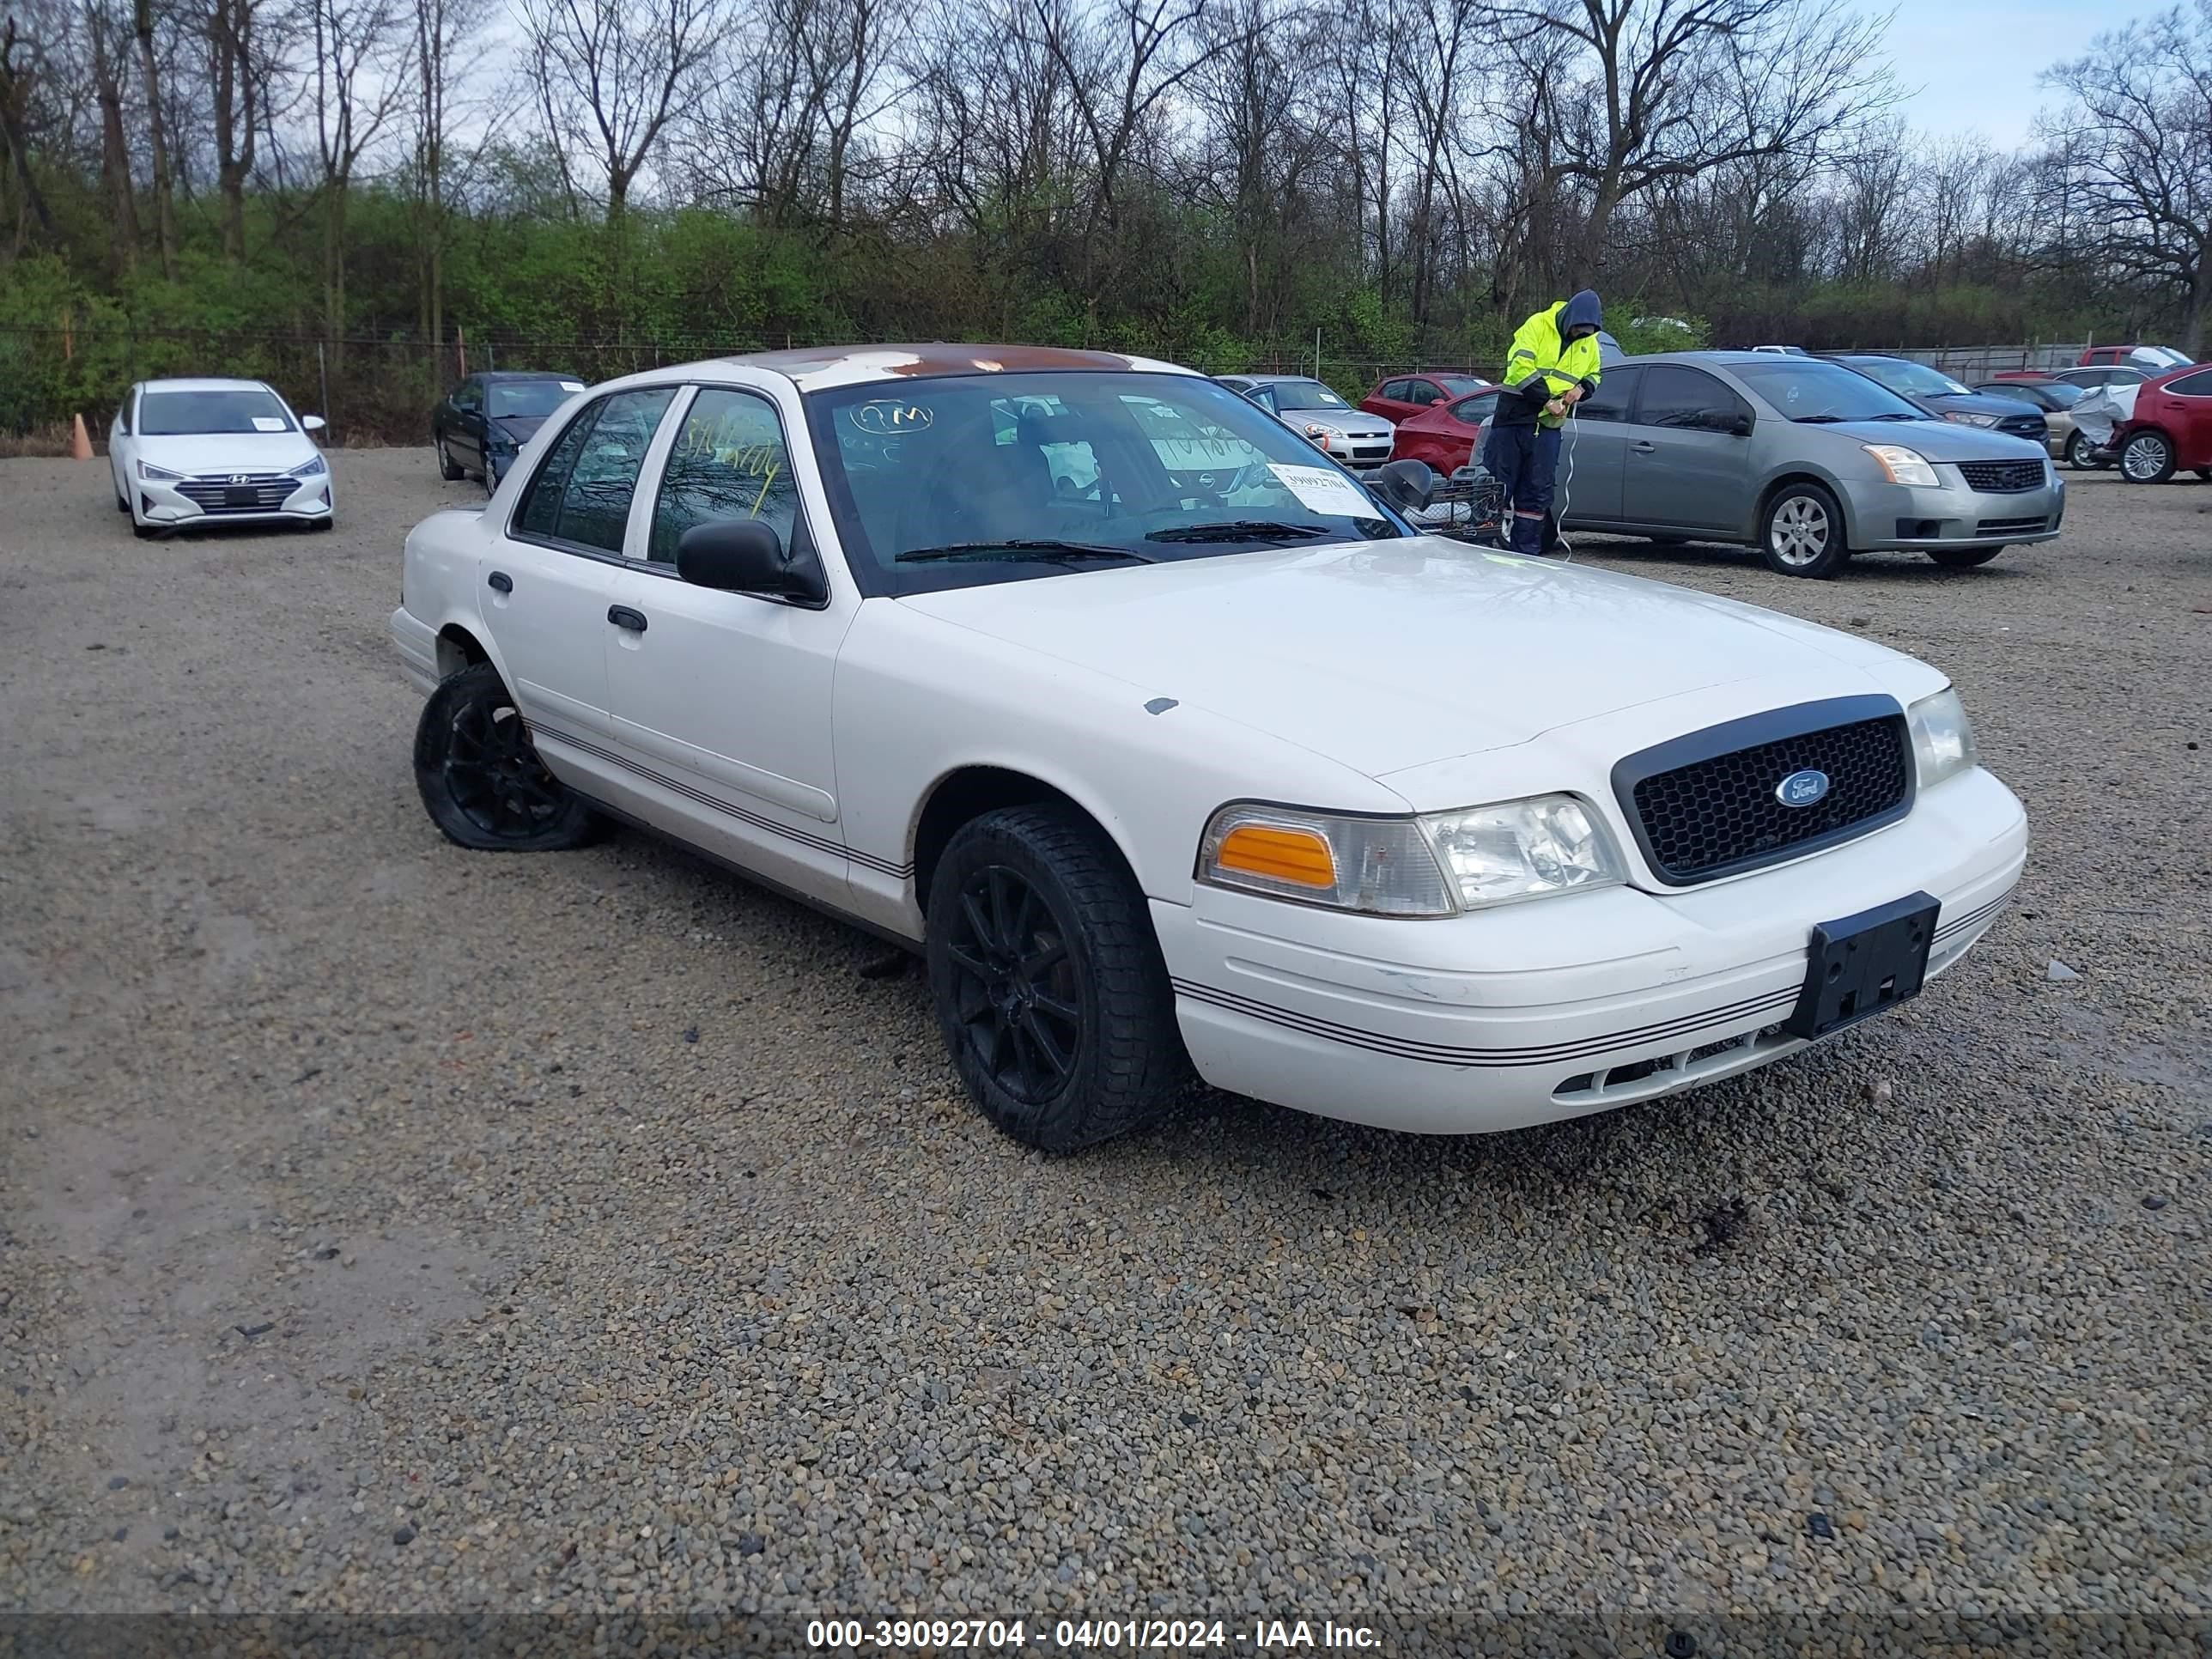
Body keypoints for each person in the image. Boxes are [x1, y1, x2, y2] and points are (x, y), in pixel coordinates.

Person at [1482, 289, 1603, 556]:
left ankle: (1525, 556)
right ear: (1568, 318)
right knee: (1496, 489)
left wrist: (1580, 390)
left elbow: (1594, 374)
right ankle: (1482, 555)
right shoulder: (1538, 324)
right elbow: (1519, 366)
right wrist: (1547, 400)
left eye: (1586, 333)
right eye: (1577, 331)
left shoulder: (1589, 341)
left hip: (1548, 428)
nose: (1580, 336)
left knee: (1536, 496)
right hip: (1514, 420)